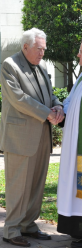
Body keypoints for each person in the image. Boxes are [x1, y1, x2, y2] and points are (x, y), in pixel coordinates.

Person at [0, 28, 64, 247]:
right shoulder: (10, 65)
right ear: (25, 46)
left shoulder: (43, 66)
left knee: (37, 184)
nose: (42, 54)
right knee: (18, 185)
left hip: (43, 135)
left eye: (44, 49)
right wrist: (47, 113)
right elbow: (19, 99)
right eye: (39, 49)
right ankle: (11, 230)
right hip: (19, 137)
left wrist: (58, 106)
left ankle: (28, 224)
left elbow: (50, 93)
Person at [57, 42, 82, 248]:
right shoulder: (80, 77)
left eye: (81, 52)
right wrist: (60, 110)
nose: (78, 55)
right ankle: (77, 230)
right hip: (74, 145)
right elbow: (70, 100)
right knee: (75, 186)